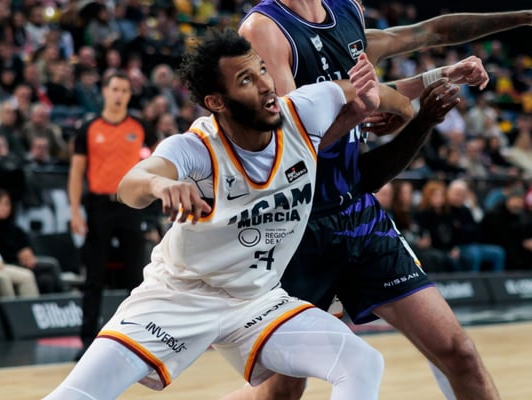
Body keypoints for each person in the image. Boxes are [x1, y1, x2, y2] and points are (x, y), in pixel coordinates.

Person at [42, 27, 453, 400]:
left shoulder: (304, 109)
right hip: (179, 297)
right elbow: (131, 184)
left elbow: (369, 91)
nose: (266, 85)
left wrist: (396, 109)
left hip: (256, 301)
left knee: (362, 362)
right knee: (74, 396)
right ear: (215, 102)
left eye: (262, 70)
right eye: (246, 80)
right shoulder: (197, 148)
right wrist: (161, 185)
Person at [227, 1, 530, 399]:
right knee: (282, 390)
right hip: (296, 226)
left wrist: (442, 73)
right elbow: (292, 147)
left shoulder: (347, 10)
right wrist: (364, 112)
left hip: (357, 213)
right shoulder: (264, 30)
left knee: (459, 352)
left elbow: (428, 34)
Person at [69, 70, 159, 360]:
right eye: (115, 89)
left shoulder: (140, 126)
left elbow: (160, 158)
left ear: (129, 95)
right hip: (99, 206)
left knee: (135, 274)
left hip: (131, 204)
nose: (119, 95)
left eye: (124, 90)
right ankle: (87, 340)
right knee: (94, 275)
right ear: (105, 92)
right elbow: (76, 172)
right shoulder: (89, 128)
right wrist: (75, 211)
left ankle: (136, 338)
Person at [0, 189, 64, 294]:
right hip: (8, 263)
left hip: (25, 262)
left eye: (6, 204)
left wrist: (28, 252)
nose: (3, 208)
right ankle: (64, 295)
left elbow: (26, 244)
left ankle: (62, 298)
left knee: (48, 276)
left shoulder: (15, 228)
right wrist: (18, 255)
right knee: (50, 265)